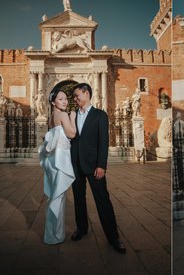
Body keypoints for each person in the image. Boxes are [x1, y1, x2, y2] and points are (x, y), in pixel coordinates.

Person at [70, 83, 126, 253]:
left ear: (86, 94)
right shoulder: (72, 115)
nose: (75, 98)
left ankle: (113, 237)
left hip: (94, 166)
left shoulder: (100, 115)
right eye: (74, 96)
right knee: (78, 200)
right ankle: (81, 229)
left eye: (77, 94)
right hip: (76, 165)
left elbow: (104, 142)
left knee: (103, 201)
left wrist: (102, 165)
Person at [38, 88, 76, 244]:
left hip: (52, 161)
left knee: (55, 195)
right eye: (61, 99)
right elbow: (72, 134)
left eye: (66, 98)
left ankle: (54, 232)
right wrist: (72, 117)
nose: (65, 101)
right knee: (58, 197)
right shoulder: (63, 115)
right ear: (53, 102)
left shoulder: (51, 117)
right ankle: (54, 235)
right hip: (60, 160)